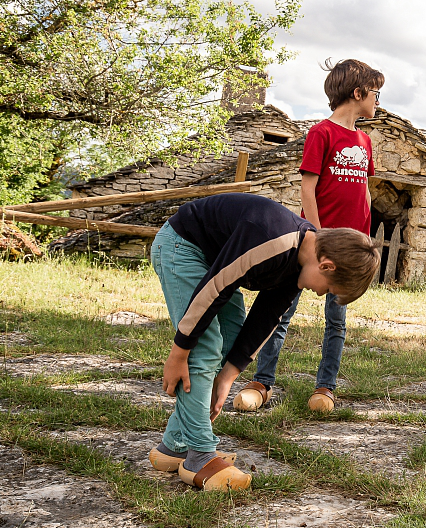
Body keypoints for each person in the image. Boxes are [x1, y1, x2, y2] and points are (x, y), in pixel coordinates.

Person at [147, 193, 380, 491]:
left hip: (217, 264)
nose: (323, 295)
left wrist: (226, 378)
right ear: (327, 266)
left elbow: (264, 320)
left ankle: (174, 445)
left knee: (230, 337)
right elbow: (213, 289)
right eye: (330, 288)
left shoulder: (298, 265)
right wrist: (179, 354)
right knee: (203, 346)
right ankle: (200, 456)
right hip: (184, 246)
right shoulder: (273, 239)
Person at [232, 59, 384, 415]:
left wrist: (363, 237)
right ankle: (261, 381)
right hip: (316, 243)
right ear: (358, 93)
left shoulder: (364, 140)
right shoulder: (321, 133)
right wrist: (316, 237)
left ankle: (325, 387)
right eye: (375, 93)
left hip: (351, 247)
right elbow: (308, 189)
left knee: (337, 318)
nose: (378, 100)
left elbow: (363, 190)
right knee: (280, 312)